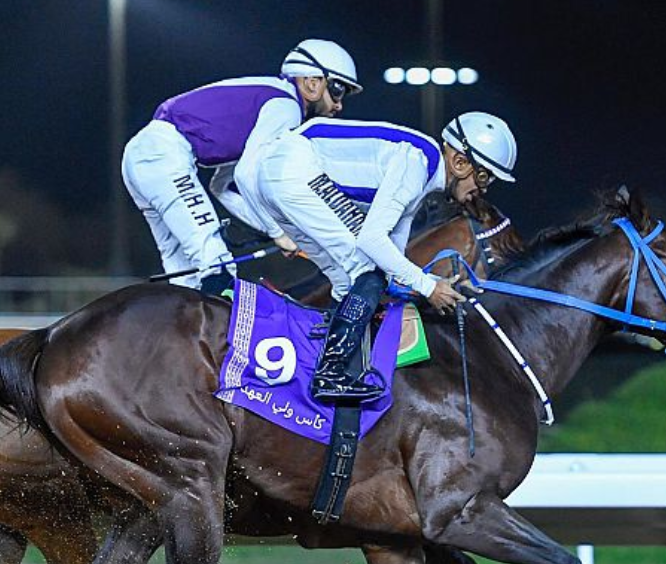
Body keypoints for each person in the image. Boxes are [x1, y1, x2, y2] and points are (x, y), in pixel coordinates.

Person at [237, 111, 519, 403]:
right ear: (460, 163)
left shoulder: (421, 173)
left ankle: (322, 356)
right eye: (484, 178)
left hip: (279, 174)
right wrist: (427, 287)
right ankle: (330, 372)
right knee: (367, 271)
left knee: (351, 278)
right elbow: (372, 242)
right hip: (292, 171)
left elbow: (393, 258)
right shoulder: (416, 166)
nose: (482, 191)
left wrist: (436, 282)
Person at [121, 39, 360, 291]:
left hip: (145, 155)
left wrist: (273, 231)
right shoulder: (287, 106)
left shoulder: (270, 101)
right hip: (163, 154)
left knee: (186, 279)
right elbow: (247, 175)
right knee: (218, 266)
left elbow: (222, 186)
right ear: (313, 83)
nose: (339, 104)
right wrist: (278, 232)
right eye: (337, 90)